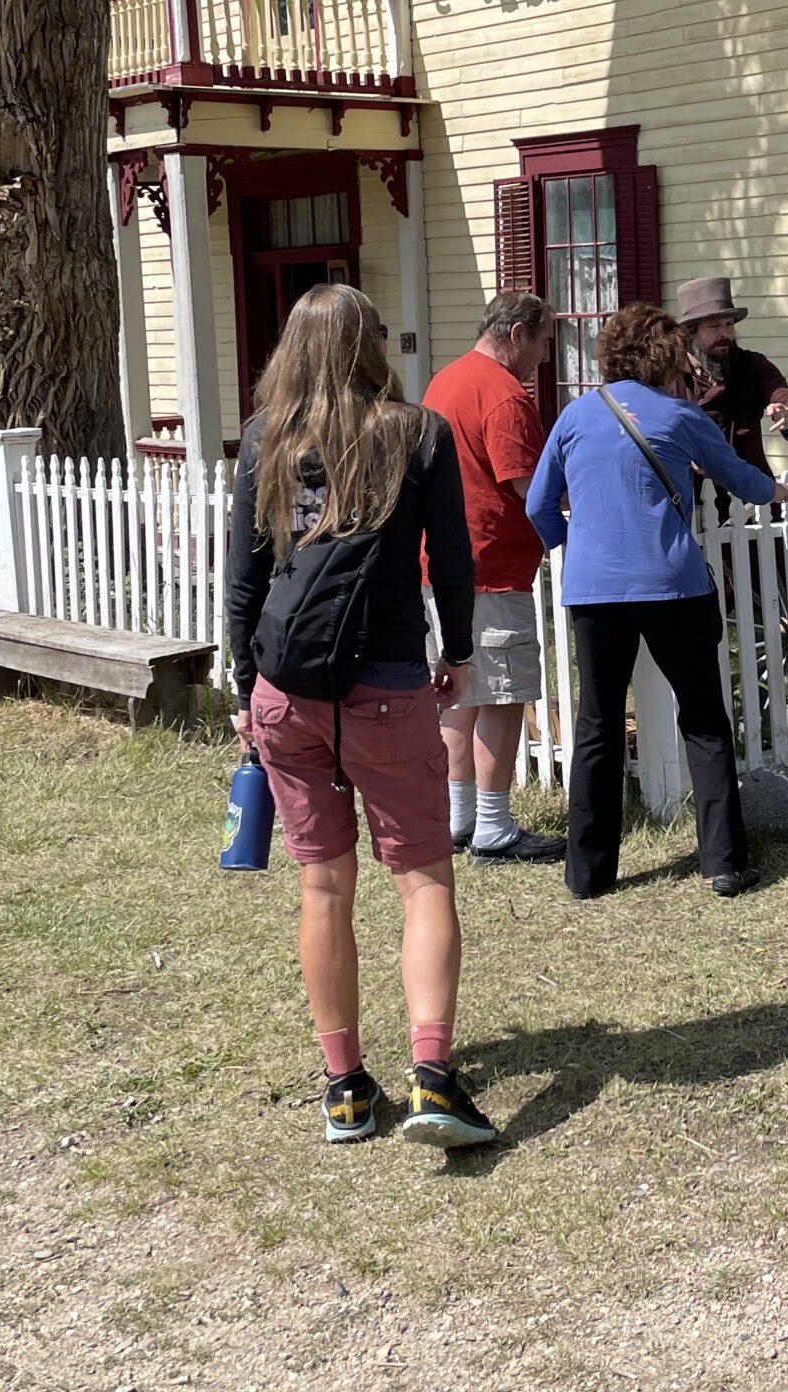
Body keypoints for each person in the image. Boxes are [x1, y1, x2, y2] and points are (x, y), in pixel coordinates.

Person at [225, 284, 497, 1151]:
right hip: (385, 681)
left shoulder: (267, 436)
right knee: (421, 880)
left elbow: (244, 577)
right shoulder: (416, 433)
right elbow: (450, 561)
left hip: (286, 690)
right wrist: (456, 650)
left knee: (324, 885)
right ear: (371, 345)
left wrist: (242, 689)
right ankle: (431, 1077)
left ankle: (344, 1087)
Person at [525, 302, 788, 900]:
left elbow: (538, 506)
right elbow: (738, 476)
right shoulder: (679, 416)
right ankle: (724, 864)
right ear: (665, 357)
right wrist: (783, 490)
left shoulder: (575, 416)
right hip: (673, 583)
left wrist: (573, 549)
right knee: (704, 718)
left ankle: (588, 874)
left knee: (597, 724)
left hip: (595, 589)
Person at [422, 291, 565, 864]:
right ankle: (494, 826)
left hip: (440, 566)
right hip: (492, 569)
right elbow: (527, 487)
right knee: (503, 697)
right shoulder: (505, 394)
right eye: (543, 341)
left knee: (457, 695)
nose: (545, 355)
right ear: (516, 335)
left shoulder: (445, 380)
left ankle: (457, 818)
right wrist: (570, 530)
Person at [681, 276, 788, 477]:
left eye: (729, 324)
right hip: (689, 498)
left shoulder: (752, 366)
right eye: (714, 326)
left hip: (751, 498)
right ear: (691, 333)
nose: (725, 333)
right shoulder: (668, 375)